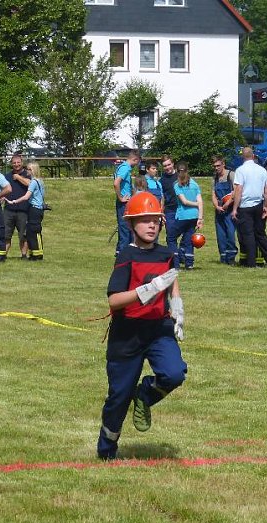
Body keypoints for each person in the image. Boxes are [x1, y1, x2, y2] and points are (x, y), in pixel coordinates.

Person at [97, 191, 187, 461]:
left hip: (158, 329)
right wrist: (144, 291)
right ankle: (107, 449)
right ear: (130, 224)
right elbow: (114, 301)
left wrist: (178, 307)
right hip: (127, 333)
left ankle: (145, 394)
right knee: (119, 398)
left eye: (156, 220)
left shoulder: (166, 253)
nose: (151, 226)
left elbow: (171, 280)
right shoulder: (126, 256)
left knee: (174, 374)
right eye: (144, 220)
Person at [231, 146, 267, 269]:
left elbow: (239, 190)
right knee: (260, 233)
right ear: (253, 156)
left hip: (245, 206)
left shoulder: (240, 170)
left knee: (248, 235)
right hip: (259, 205)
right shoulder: (262, 170)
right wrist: (265, 206)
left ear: (243, 157)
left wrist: (235, 208)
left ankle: (251, 263)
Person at [6, 162, 46, 260]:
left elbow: (26, 196)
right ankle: (34, 253)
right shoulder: (40, 181)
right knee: (32, 232)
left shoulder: (33, 182)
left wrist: (14, 201)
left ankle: (38, 254)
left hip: (34, 209)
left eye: (29, 169)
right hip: (39, 209)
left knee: (34, 232)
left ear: (33, 170)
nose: (27, 171)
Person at [171, 163, 204, 270]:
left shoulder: (177, 185)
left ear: (177, 171)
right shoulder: (194, 184)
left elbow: (184, 202)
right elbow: (200, 202)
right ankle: (189, 263)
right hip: (194, 216)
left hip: (182, 216)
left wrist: (196, 204)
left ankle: (175, 264)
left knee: (171, 238)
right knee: (189, 239)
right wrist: (200, 218)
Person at [2, 154, 32, 259]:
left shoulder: (28, 174)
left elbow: (29, 184)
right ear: (11, 164)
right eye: (14, 163)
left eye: (18, 162)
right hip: (8, 210)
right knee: (6, 234)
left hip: (23, 210)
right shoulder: (7, 176)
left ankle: (24, 255)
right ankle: (3, 256)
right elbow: (3, 189)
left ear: (22, 163)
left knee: (23, 235)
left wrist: (18, 177)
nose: (16, 164)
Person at [113, 150, 140, 255]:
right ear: (135, 159)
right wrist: (120, 197)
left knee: (127, 228)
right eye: (137, 163)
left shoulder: (124, 167)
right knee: (125, 228)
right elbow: (116, 183)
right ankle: (122, 254)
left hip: (126, 203)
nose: (136, 165)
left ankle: (123, 251)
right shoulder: (125, 168)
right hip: (123, 204)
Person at [211, 156, 237, 265]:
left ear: (223, 164)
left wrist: (228, 203)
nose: (216, 168)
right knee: (220, 235)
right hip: (219, 210)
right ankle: (223, 257)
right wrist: (217, 206)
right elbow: (213, 194)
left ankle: (231, 258)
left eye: (218, 165)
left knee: (230, 233)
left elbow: (236, 191)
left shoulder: (231, 174)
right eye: (214, 166)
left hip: (229, 209)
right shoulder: (214, 178)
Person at [159, 155, 180, 266]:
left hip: (183, 210)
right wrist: (161, 213)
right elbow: (161, 198)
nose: (167, 167)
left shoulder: (180, 176)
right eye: (165, 166)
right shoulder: (162, 180)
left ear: (173, 164)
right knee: (171, 236)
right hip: (170, 211)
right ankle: (175, 263)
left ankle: (185, 259)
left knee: (186, 236)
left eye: (169, 164)